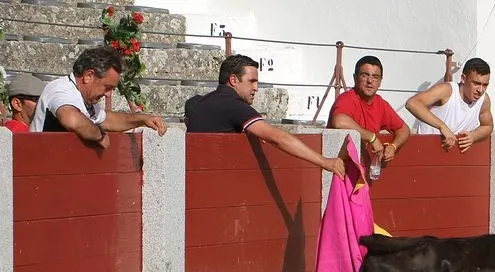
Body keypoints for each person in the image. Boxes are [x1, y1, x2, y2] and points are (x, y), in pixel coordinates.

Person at [186, 55, 344, 178]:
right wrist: (325, 162)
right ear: (233, 80)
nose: (256, 88)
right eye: (251, 81)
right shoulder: (233, 105)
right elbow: (276, 138)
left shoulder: (197, 103)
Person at [30, 46, 167, 146]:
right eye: (107, 87)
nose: (108, 94)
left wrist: (142, 119)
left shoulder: (83, 97)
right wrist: (100, 135)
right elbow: (71, 120)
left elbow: (107, 119)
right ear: (89, 76)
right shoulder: (61, 90)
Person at [328, 55, 410, 169]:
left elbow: (404, 129)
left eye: (375, 77)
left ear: (380, 82)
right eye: (365, 75)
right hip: (339, 169)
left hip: (363, 171)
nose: (370, 81)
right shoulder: (347, 99)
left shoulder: (380, 103)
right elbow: (339, 122)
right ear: (355, 78)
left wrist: (393, 147)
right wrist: (372, 138)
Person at [406, 58, 493, 153]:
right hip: (425, 150)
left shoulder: (484, 100)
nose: (480, 90)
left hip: (451, 156)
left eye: (485, 85)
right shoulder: (447, 90)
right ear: (463, 78)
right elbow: (412, 103)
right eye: (476, 83)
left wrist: (473, 136)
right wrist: (442, 126)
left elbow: (487, 126)